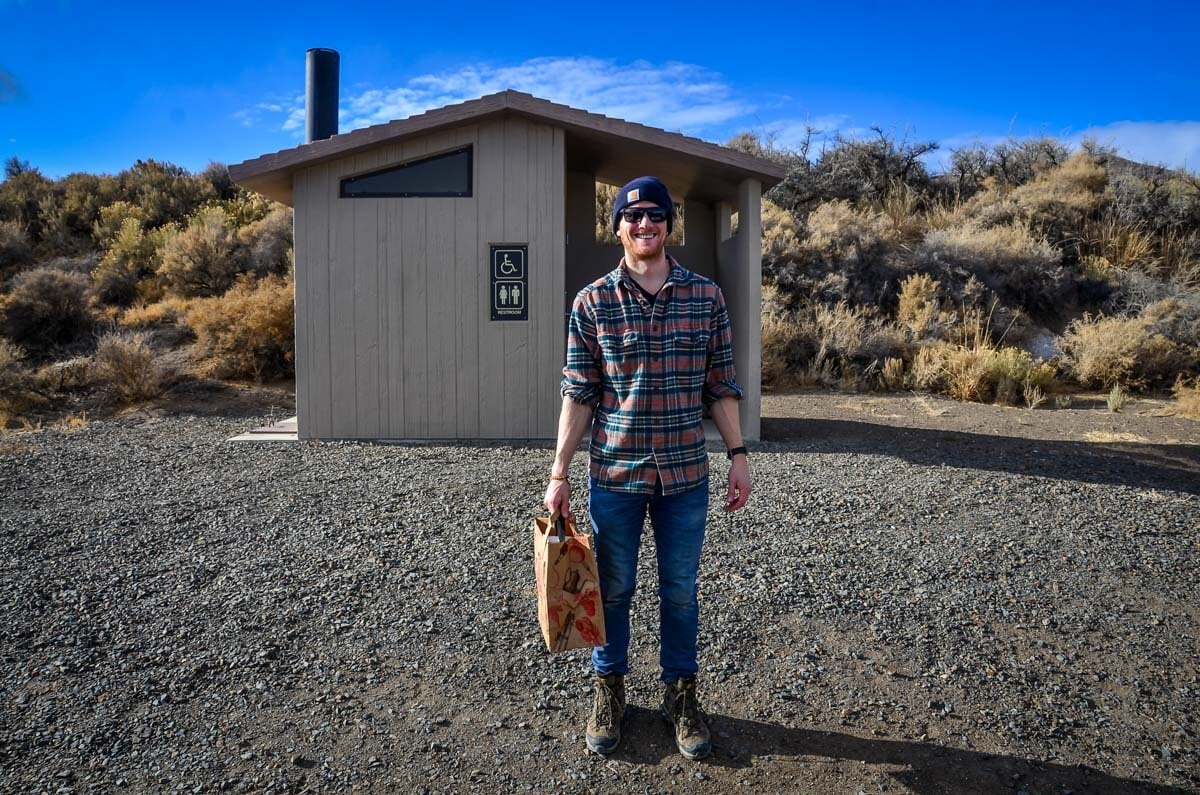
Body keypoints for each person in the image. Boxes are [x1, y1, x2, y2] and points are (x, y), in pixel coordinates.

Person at [543, 176, 751, 760]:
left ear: (668, 225)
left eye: (655, 216)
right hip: (615, 476)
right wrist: (558, 473)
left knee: (681, 592)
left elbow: (722, 385)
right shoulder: (592, 303)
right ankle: (609, 689)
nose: (644, 226)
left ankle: (680, 694)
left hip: (686, 476)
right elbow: (578, 394)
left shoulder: (705, 297)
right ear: (617, 228)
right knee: (612, 590)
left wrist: (738, 455)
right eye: (632, 217)